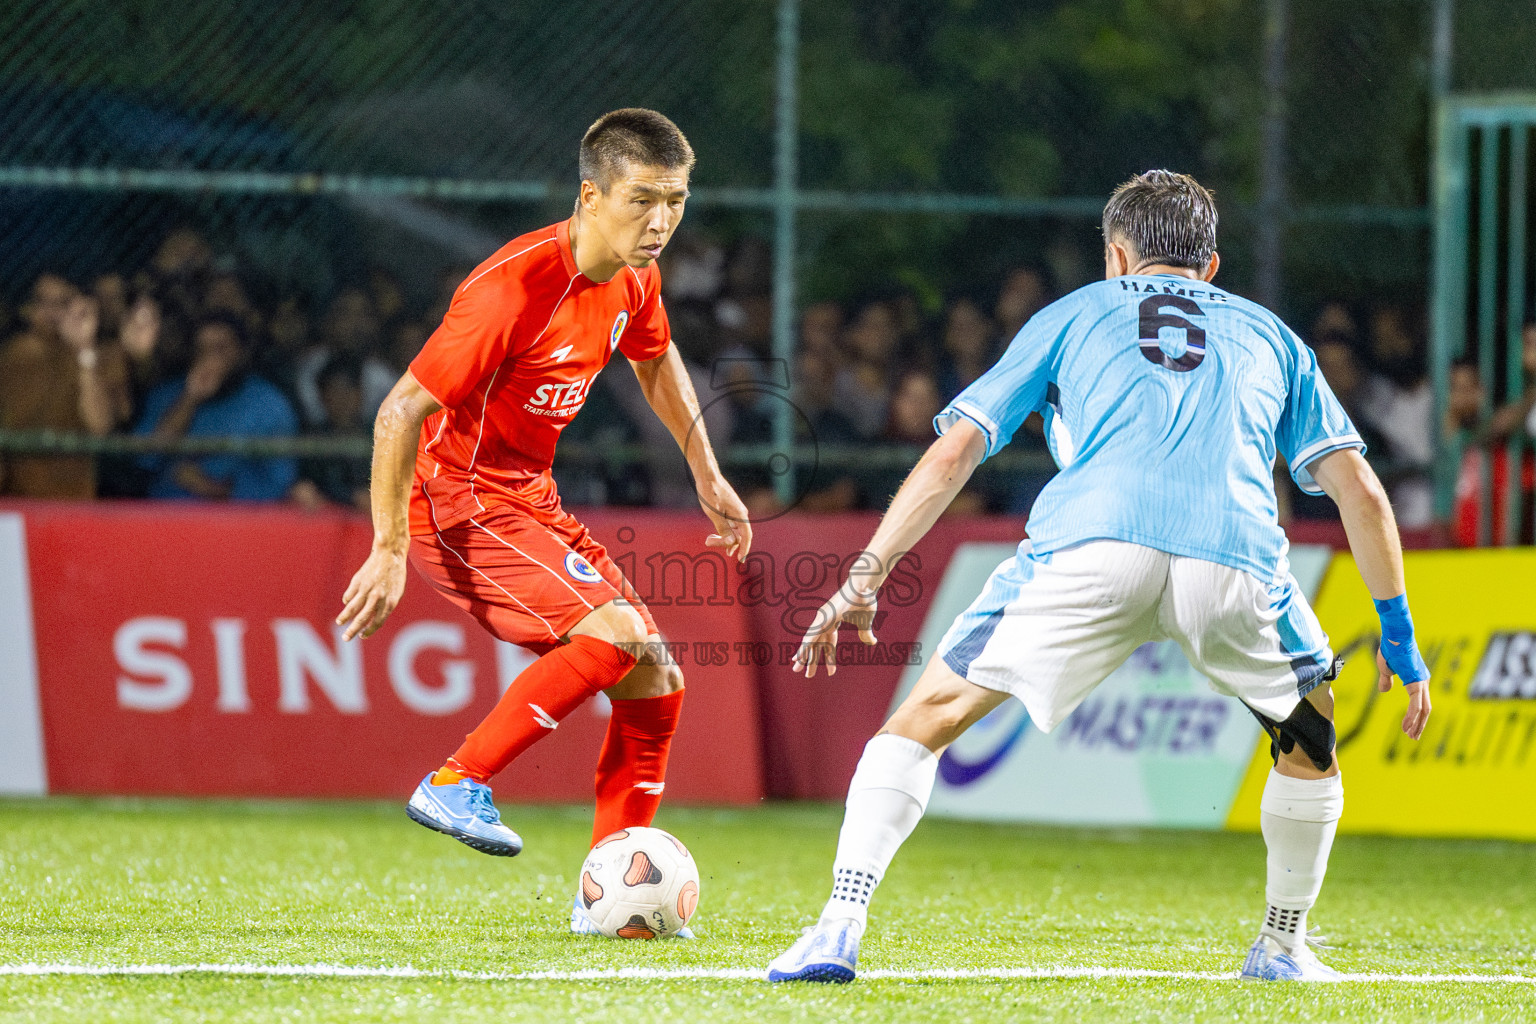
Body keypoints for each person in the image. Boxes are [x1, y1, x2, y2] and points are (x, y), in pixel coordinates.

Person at [766, 171, 1432, 984]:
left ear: (1118, 256)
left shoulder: (1071, 313)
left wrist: (866, 575)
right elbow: (1361, 492)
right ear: (1211, 265)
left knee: (927, 717)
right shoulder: (1274, 336)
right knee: (1311, 739)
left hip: (1090, 547)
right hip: (1233, 559)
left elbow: (955, 451)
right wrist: (1398, 636)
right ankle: (1283, 944)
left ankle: (838, 925)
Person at [333, 109, 752, 938]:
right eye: (642, 200)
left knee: (654, 676)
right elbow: (399, 412)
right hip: (460, 502)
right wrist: (389, 546)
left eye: (676, 200)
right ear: (591, 195)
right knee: (614, 636)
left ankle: (607, 899)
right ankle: (455, 782)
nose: (661, 221)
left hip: (528, 495)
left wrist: (706, 470)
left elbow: (656, 357)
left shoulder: (636, 277)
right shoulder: (512, 286)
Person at [135, 314, 299, 501]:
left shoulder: (270, 404)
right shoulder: (165, 395)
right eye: (201, 349)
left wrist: (212, 489)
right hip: (167, 518)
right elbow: (146, 458)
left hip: (235, 523)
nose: (210, 357)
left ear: (242, 353)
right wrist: (190, 397)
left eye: (220, 349)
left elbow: (280, 484)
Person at [0, 273, 131, 498]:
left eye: (62, 303)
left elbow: (99, 427)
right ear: (28, 309)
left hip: (72, 502)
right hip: (15, 502)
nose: (52, 313)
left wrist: (84, 351)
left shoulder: (105, 356)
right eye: (42, 302)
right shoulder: (13, 356)